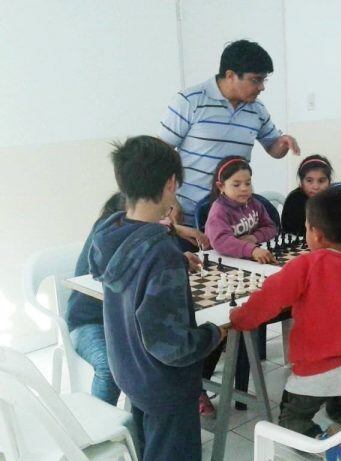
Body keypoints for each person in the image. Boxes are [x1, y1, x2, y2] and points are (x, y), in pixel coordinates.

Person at [230, 188, 341, 460]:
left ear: (315, 233)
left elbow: (268, 299)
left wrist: (240, 318)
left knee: (291, 422)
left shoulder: (304, 266)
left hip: (315, 374)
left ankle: (331, 448)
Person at [89, 136, 225, 460]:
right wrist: (214, 334)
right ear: (171, 183)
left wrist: (176, 261)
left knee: (150, 448)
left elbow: (135, 281)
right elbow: (172, 346)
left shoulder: (111, 234)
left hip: (130, 370)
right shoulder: (160, 252)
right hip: (166, 386)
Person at [67, 193, 209, 406]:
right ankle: (100, 420)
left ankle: (174, 400)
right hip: (88, 324)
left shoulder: (128, 236)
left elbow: (137, 263)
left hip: (123, 323)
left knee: (160, 350)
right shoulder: (107, 238)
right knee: (109, 368)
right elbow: (130, 267)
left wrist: (178, 255)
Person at [159, 40, 300, 227]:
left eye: (263, 80)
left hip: (234, 217)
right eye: (255, 80)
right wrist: (169, 199)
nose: (262, 87)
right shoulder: (189, 101)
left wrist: (283, 143)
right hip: (188, 216)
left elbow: (274, 149)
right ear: (230, 75)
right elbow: (160, 155)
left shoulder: (257, 109)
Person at [205, 156, 278, 264]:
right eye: (236, 185)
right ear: (221, 187)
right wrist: (252, 250)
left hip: (248, 259)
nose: (244, 188)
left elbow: (271, 227)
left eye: (248, 183)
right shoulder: (218, 211)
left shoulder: (255, 204)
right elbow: (221, 241)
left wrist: (254, 237)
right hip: (222, 262)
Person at [281, 155, 333, 235]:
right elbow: (294, 230)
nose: (315, 187)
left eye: (321, 181)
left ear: (329, 182)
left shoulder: (333, 198)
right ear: (301, 182)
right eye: (309, 181)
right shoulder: (294, 200)